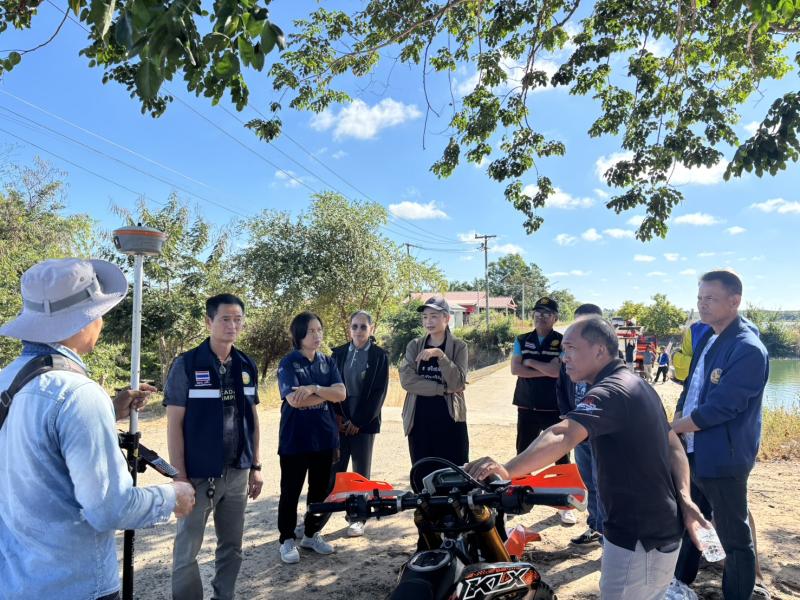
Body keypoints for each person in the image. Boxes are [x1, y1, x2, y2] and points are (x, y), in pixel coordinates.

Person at [467, 317, 707, 600]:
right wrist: (685, 499)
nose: (563, 357)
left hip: (637, 537)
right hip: (657, 528)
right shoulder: (637, 384)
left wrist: (507, 470)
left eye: (571, 348)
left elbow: (563, 434)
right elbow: (673, 445)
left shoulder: (611, 391)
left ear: (599, 350)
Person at [0, 258, 195, 600]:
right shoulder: (78, 394)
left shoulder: (7, 379)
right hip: (75, 584)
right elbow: (109, 507)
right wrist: (172, 497)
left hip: (15, 581)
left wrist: (109, 411)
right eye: (98, 312)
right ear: (82, 321)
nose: (101, 321)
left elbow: (35, 448)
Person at [672, 270, 769, 600]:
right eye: (700, 298)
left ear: (734, 301)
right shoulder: (709, 338)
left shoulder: (748, 349)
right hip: (693, 451)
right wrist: (678, 419)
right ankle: (679, 585)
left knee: (734, 539)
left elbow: (721, 408)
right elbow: (691, 388)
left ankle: (738, 594)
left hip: (723, 459)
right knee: (690, 524)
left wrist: (672, 428)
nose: (702, 305)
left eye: (710, 298)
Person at [165, 293, 262, 600]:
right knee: (186, 550)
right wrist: (180, 477)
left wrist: (256, 466)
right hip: (197, 475)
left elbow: (252, 419)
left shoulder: (246, 365)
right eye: (225, 319)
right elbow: (174, 425)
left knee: (232, 546)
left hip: (237, 472)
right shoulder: (186, 365)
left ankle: (224, 596)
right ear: (209, 322)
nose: (232, 325)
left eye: (238, 319)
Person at [276, 312, 347, 564]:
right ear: (299, 335)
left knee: (320, 491)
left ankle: (311, 534)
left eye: (319, 330)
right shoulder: (288, 363)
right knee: (291, 491)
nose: (317, 335)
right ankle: (286, 539)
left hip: (325, 438)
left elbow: (342, 394)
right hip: (295, 439)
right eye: (311, 331)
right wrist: (327, 393)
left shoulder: (327, 361)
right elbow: (295, 401)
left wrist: (314, 389)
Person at [510, 297, 574, 524]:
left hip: (553, 406)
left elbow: (557, 372)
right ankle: (517, 499)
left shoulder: (562, 341)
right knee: (523, 452)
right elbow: (515, 369)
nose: (541, 317)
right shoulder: (521, 339)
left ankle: (565, 504)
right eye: (538, 312)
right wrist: (544, 368)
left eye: (547, 313)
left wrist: (530, 363)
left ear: (555, 318)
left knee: (561, 454)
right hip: (526, 404)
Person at [399, 297, 468, 498]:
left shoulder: (459, 347)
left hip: (450, 420)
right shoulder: (414, 346)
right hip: (419, 420)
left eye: (434, 316)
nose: (428, 321)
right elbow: (407, 381)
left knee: (455, 475)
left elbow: (458, 383)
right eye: (425, 317)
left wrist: (440, 355)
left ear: (446, 318)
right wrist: (441, 389)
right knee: (422, 475)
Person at [331, 310, 390, 538]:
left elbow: (378, 394)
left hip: (364, 422)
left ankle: (358, 518)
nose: (358, 331)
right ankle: (317, 519)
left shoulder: (379, 356)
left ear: (371, 329)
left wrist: (358, 421)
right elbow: (331, 386)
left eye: (363, 326)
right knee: (333, 471)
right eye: (354, 326)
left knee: (360, 473)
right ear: (349, 328)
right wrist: (338, 417)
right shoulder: (337, 354)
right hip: (339, 421)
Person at [556, 303, 605, 545]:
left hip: (600, 434)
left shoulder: (607, 360)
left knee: (603, 483)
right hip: (578, 431)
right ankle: (595, 526)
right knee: (588, 482)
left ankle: (608, 536)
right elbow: (561, 386)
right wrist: (567, 415)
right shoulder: (570, 354)